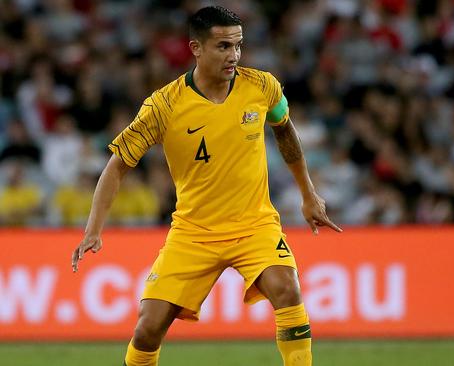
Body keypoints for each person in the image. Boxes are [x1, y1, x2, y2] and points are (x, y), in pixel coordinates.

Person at [70, 6, 341, 366]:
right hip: (193, 232)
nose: (234, 56)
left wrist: (308, 195)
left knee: (288, 290)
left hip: (254, 225)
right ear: (196, 48)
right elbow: (117, 167)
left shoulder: (262, 86)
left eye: (238, 46)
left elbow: (284, 129)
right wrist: (93, 228)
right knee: (147, 329)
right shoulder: (164, 106)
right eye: (223, 47)